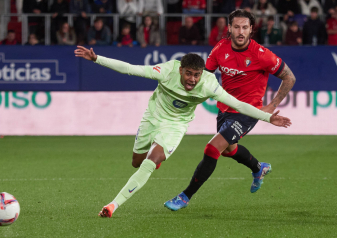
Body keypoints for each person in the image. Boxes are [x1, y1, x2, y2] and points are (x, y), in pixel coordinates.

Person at [74, 45, 291, 218]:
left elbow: (239, 104)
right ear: (180, 69)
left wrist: (267, 116)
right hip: (152, 118)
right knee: (137, 162)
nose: (192, 80)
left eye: (197, 75)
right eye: (188, 74)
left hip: (175, 126)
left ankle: (113, 205)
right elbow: (131, 68)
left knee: (153, 161)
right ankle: (152, 161)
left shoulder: (208, 84)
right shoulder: (167, 70)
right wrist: (97, 59)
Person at [164, 9, 296, 211]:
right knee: (229, 150)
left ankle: (184, 196)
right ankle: (258, 168)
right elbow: (204, 77)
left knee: (212, 148)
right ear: (229, 29)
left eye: (245, 27)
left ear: (251, 29)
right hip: (225, 108)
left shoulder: (262, 55)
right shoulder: (220, 49)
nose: (241, 31)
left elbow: (290, 77)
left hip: (248, 111)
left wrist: (271, 106)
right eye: (237, 27)